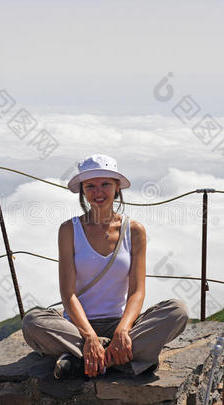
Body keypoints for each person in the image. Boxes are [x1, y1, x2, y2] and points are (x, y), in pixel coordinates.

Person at [22, 154, 188, 379]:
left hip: (119, 323)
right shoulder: (69, 230)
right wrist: (89, 336)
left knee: (177, 310)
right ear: (83, 190)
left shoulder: (134, 230)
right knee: (32, 322)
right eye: (90, 186)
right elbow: (68, 293)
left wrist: (123, 330)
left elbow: (137, 291)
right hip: (77, 327)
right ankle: (125, 359)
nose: (98, 192)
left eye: (105, 184)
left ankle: (82, 361)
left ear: (117, 187)